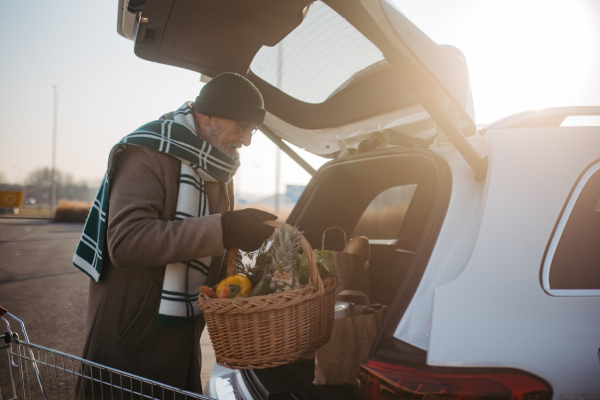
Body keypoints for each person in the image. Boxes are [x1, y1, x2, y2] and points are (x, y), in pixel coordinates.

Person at [72, 72, 277, 394]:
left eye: (253, 129)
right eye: (241, 126)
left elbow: (214, 246)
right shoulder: (147, 152)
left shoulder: (218, 163)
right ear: (208, 116)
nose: (247, 140)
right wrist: (223, 229)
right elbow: (126, 243)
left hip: (182, 330)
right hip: (133, 334)